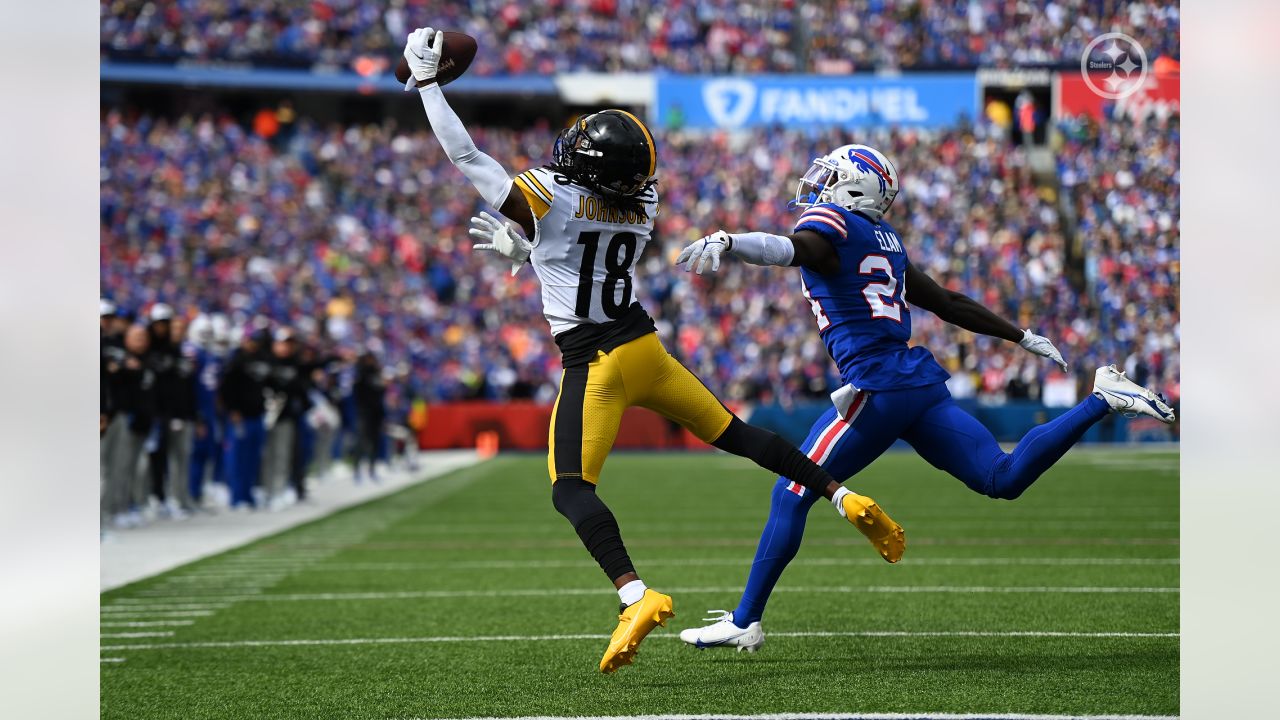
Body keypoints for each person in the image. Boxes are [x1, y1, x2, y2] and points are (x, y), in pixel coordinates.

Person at [403, 26, 904, 674]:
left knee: (570, 489)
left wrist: (426, 85)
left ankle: (634, 595)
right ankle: (843, 496)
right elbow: (579, 239)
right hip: (646, 347)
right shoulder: (642, 200)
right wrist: (530, 250)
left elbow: (468, 158)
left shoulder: (551, 197)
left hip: (597, 363)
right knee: (741, 436)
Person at [672, 142, 1176, 651]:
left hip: (878, 386)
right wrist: (1018, 335)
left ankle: (745, 619)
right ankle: (1101, 399)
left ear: (855, 185)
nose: (817, 184)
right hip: (919, 385)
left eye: (830, 175)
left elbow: (790, 250)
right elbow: (947, 302)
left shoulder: (834, 224)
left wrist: (732, 241)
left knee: (792, 490)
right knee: (1001, 478)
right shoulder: (885, 239)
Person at [219, 329, 271, 510]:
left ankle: (249, 495)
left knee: (253, 458)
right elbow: (225, 389)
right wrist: (232, 410)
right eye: (250, 340)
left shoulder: (263, 358)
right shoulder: (235, 360)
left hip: (258, 414)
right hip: (240, 416)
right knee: (237, 457)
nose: (252, 344)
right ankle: (236, 497)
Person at [352, 351, 385, 483]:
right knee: (362, 440)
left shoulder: (376, 373)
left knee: (374, 441)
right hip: (364, 412)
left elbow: (382, 391)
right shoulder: (360, 374)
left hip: (376, 412)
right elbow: (356, 392)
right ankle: (357, 469)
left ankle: (372, 468)